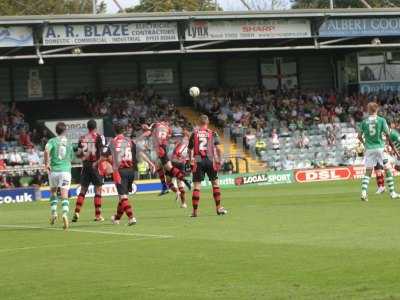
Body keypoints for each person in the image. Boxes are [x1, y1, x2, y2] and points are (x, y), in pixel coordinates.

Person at [105, 123, 155, 226]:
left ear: (114, 131)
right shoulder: (129, 141)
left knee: (123, 196)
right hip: (131, 171)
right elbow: (139, 152)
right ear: (123, 131)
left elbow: (108, 157)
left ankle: (131, 218)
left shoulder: (113, 142)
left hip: (120, 171)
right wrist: (150, 163)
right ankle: (116, 218)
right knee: (123, 197)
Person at [188, 115, 227, 217]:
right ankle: (218, 208)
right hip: (210, 159)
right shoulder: (212, 133)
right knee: (215, 183)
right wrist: (219, 160)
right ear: (207, 122)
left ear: (199, 122)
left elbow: (189, 150)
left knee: (197, 186)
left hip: (198, 159)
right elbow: (218, 149)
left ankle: (195, 212)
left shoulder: (194, 134)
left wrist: (191, 159)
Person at [358, 102, 399, 201]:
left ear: (368, 110)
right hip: (380, 147)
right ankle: (392, 193)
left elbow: (359, 136)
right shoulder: (381, 120)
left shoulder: (364, 122)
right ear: (377, 110)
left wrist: (365, 144)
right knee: (387, 168)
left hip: (369, 149)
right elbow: (388, 134)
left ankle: (363, 193)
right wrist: (393, 148)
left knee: (368, 171)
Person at [143, 117, 191, 194]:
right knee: (158, 165)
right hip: (163, 148)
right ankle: (165, 186)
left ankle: (183, 180)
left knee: (168, 167)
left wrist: (147, 129)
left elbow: (149, 130)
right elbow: (168, 137)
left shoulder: (157, 124)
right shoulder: (168, 128)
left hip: (160, 148)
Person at [72, 119, 106, 222]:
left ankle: (77, 212)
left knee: (83, 191)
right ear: (95, 127)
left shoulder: (82, 138)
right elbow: (102, 152)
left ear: (88, 127)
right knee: (98, 190)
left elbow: (78, 153)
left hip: (85, 166)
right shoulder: (99, 137)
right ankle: (98, 215)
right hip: (95, 166)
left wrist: (83, 159)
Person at [44, 122, 75, 230]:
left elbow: (46, 150)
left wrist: (46, 164)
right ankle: (65, 214)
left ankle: (54, 213)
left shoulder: (52, 141)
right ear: (65, 130)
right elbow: (72, 158)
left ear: (56, 131)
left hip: (54, 171)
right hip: (66, 171)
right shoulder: (70, 142)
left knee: (53, 191)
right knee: (64, 194)